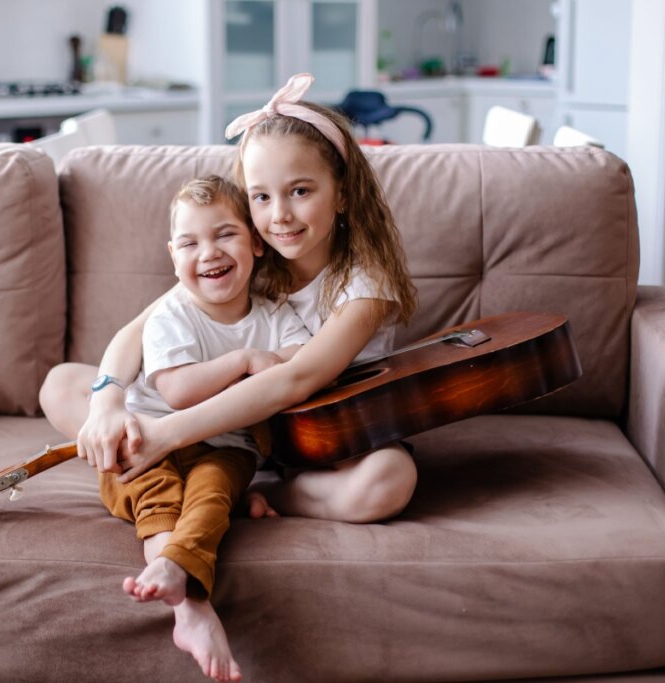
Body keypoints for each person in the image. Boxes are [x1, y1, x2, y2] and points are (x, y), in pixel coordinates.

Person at [41, 72, 419, 524]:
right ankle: (173, 460)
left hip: (315, 437)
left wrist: (166, 434)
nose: (279, 215)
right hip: (221, 425)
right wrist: (107, 403)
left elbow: (295, 379)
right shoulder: (248, 256)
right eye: (261, 196)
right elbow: (138, 330)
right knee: (61, 383)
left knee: (389, 477)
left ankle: (266, 492)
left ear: (342, 192)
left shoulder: (365, 286)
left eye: (300, 191)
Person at [93, 175, 310, 682]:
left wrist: (273, 358)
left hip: (227, 446)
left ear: (256, 243)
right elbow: (177, 393)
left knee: (211, 495)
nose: (208, 252)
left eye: (225, 235)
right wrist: (246, 360)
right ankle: (189, 604)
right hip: (148, 439)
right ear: (173, 257)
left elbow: (302, 363)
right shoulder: (171, 314)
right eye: (190, 243)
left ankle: (175, 570)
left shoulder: (276, 313)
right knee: (158, 496)